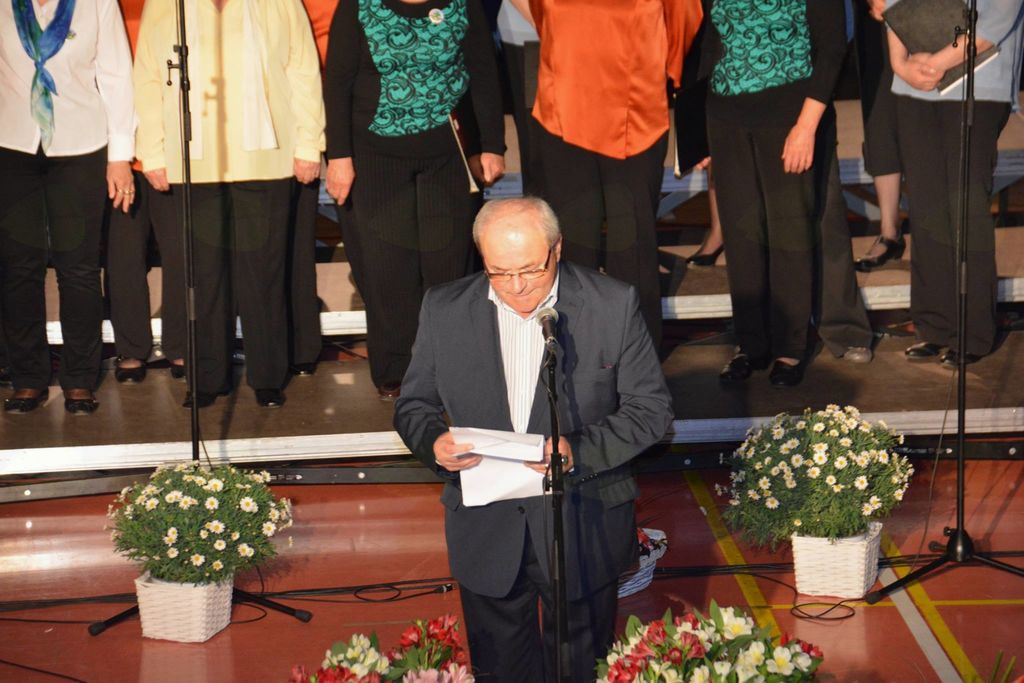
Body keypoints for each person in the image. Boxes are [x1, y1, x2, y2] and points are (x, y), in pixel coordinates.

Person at [394, 197, 673, 682]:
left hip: (581, 521)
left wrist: (578, 450)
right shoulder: (444, 308)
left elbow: (651, 411)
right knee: (500, 670)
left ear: (557, 249)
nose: (517, 286)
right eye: (499, 273)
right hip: (487, 526)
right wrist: (433, 442)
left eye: (530, 270)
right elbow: (412, 405)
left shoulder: (612, 304)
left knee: (581, 670)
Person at [134, 0, 326, 408]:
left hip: (266, 158)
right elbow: (148, 78)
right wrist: (152, 151)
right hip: (195, 160)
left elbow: (303, 69)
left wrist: (310, 143)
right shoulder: (167, 4)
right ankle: (207, 378)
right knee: (203, 278)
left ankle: (268, 376)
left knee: (264, 274)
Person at [324, 0, 505, 400]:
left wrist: (492, 143)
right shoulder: (357, 5)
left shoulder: (463, 4)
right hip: (375, 155)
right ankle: (398, 369)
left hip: (449, 155)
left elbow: (483, 70)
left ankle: (451, 367)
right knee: (388, 266)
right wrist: (338, 155)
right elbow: (337, 81)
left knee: (449, 265)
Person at [529, 0, 704, 347]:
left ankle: (639, 355)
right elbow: (544, 17)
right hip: (563, 112)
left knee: (633, 245)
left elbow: (684, 23)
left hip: (636, 118)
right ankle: (576, 354)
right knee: (574, 244)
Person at [1, 0, 136, 414]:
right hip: (11, 143)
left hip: (81, 144)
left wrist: (121, 155)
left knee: (78, 269)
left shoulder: (96, 3)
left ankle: (79, 379)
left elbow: (116, 75)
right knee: (19, 268)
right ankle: (28, 378)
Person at [705, 0, 848, 387]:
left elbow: (832, 49)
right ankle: (750, 344)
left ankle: (790, 347)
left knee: (789, 234)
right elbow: (710, 43)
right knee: (741, 237)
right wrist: (696, 133)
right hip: (725, 117)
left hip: (790, 115)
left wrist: (806, 127)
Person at [887, 0, 1024, 366]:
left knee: (965, 207)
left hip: (977, 83)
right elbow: (892, 7)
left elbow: (998, 16)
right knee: (927, 207)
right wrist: (899, 63)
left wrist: (936, 62)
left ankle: (972, 331)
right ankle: (935, 326)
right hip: (914, 86)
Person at [106, 0, 186, 385]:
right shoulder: (109, 7)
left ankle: (181, 344)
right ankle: (131, 348)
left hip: (173, 145)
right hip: (119, 151)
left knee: (181, 251)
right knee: (124, 253)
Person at [853, 0, 905, 272]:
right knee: (879, 121)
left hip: (928, 17)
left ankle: (935, 233)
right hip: (875, 18)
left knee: (925, 124)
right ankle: (889, 232)